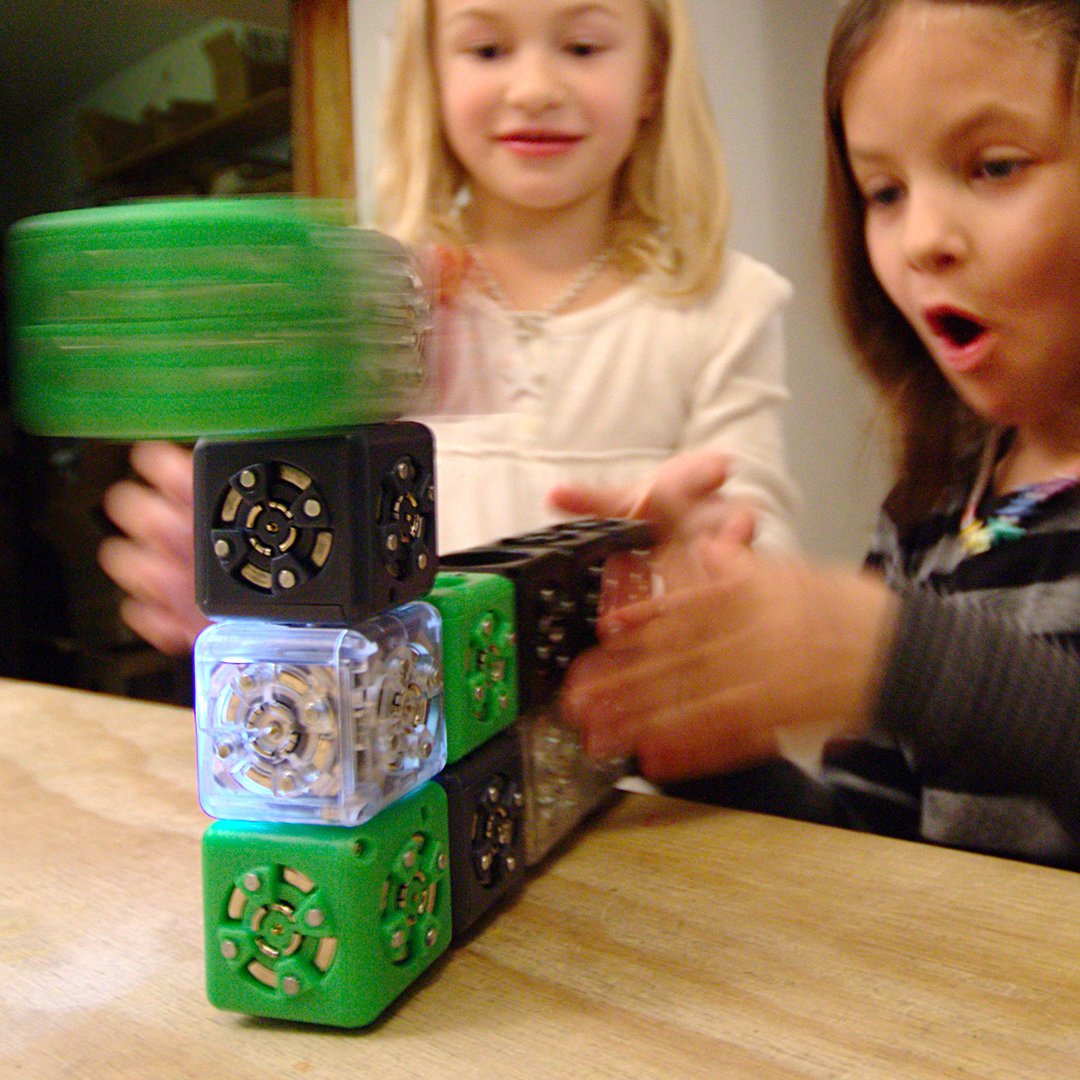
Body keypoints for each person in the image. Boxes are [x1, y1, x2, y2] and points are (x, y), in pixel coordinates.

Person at [98, 0, 799, 656]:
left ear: (653, 78)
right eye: (487, 49)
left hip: (650, 759)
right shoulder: (361, 301)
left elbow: (763, 554)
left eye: (584, 46)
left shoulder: (725, 304)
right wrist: (261, 605)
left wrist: (714, 563)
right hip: (412, 752)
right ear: (431, 76)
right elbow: (311, 553)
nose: (533, 89)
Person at [558, 0, 1080, 869]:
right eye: (885, 191)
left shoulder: (906, 637)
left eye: (994, 166)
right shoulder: (931, 515)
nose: (920, 241)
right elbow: (873, 848)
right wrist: (704, 732)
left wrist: (894, 656)